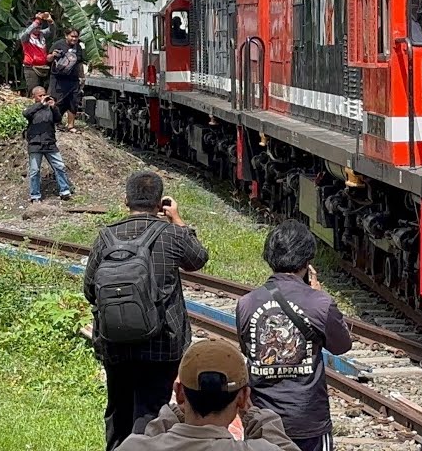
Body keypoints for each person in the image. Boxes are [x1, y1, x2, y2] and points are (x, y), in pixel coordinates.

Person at [83, 171, 211, 451]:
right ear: (160, 203)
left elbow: (90, 289)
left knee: (119, 409)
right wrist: (178, 220)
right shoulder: (170, 235)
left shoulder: (105, 237)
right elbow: (198, 259)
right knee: (152, 412)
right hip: (161, 344)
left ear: (125, 200)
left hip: (115, 343)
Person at [237, 221, 352, 451]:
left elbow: (247, 349)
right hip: (308, 419)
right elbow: (341, 346)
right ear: (307, 261)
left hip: (262, 419)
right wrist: (321, 296)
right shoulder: (319, 303)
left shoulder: (246, 303)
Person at [118, 339, 298, 451]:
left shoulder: (133, 447)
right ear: (242, 399)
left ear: (180, 393)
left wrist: (170, 417)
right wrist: (256, 417)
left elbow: (150, 440)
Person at [23, 85, 73, 203]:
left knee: (59, 166)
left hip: (50, 143)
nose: (43, 97)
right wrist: (41, 104)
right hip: (35, 144)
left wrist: (54, 107)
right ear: (34, 97)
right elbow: (26, 114)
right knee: (35, 171)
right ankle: (35, 195)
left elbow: (58, 119)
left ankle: (65, 191)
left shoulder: (50, 109)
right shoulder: (33, 108)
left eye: (44, 94)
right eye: (40, 95)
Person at [49, 27, 85, 132]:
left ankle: (71, 126)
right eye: (72, 36)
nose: (74, 39)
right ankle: (56, 123)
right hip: (58, 79)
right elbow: (48, 58)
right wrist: (53, 55)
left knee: (73, 102)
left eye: (76, 37)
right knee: (58, 101)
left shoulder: (78, 47)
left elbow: (79, 64)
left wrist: (82, 77)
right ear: (66, 36)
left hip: (73, 79)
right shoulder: (58, 44)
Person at [19, 12, 52, 95]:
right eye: (35, 28)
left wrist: (50, 21)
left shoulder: (42, 36)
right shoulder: (26, 38)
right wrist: (37, 20)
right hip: (31, 68)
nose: (37, 30)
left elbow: (51, 30)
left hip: (43, 67)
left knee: (45, 92)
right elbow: (27, 32)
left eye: (39, 28)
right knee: (34, 92)